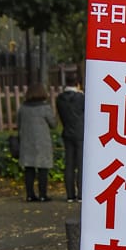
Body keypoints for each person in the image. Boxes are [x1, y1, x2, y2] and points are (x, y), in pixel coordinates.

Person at [17, 82, 57, 202]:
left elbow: (18, 124)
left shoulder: (23, 108)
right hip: (42, 142)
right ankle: (43, 195)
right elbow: (53, 124)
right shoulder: (45, 108)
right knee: (42, 169)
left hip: (26, 141)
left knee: (29, 168)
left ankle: (30, 195)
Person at [56, 71, 85, 202]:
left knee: (69, 164)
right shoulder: (81, 98)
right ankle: (81, 194)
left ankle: (70, 195)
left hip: (67, 132)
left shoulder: (60, 98)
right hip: (81, 133)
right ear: (78, 84)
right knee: (81, 164)